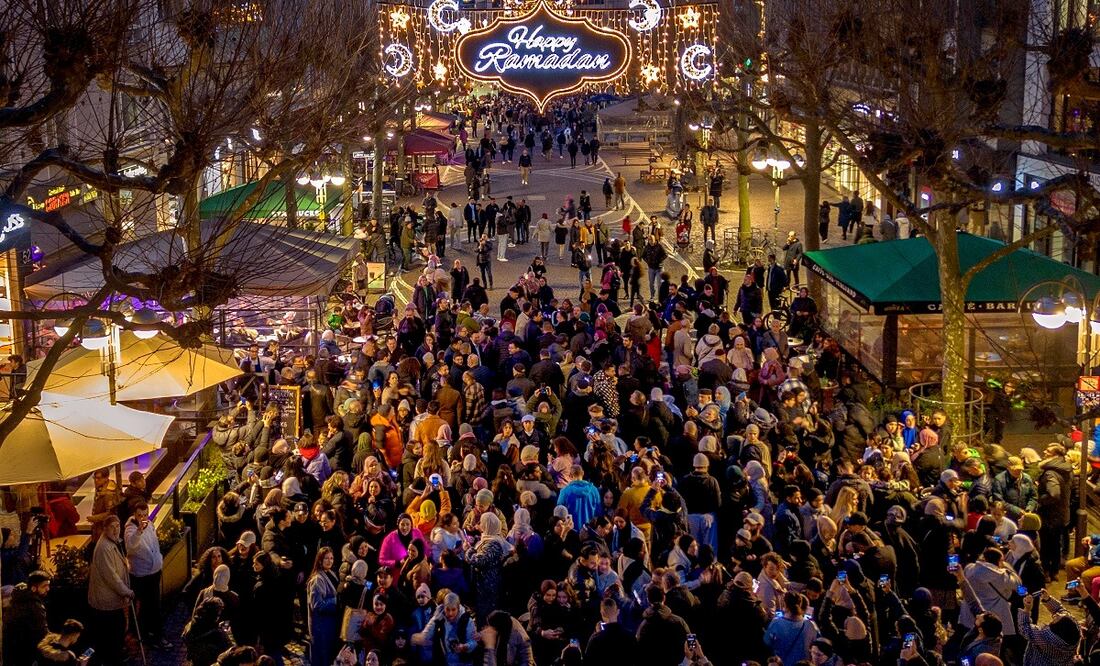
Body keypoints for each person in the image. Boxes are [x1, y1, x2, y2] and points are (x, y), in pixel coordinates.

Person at [87, 516, 133, 666]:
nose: (116, 530)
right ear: (105, 529)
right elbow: (111, 577)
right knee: (113, 633)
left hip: (111, 601)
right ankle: (112, 659)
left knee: (116, 630)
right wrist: (127, 591)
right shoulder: (105, 548)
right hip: (106, 602)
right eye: (112, 527)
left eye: (118, 526)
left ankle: (115, 655)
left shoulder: (112, 543)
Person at [125, 502, 169, 648]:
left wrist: (158, 559)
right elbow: (130, 548)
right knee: (147, 607)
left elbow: (154, 545)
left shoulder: (149, 524)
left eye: (145, 515)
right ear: (134, 515)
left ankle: (153, 634)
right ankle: (151, 636)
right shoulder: (130, 530)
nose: (143, 518)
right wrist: (139, 531)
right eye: (140, 516)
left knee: (154, 605)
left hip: (154, 571)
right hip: (142, 574)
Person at [4, 569, 51, 665]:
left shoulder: (18, 598)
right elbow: (42, 632)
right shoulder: (35, 606)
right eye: (44, 586)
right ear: (33, 588)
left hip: (10, 650)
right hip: (26, 653)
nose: (48, 589)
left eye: (48, 585)